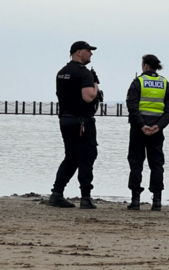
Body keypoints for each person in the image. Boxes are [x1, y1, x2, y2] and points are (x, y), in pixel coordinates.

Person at [49, 41, 103, 209]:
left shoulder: (62, 72)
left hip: (65, 119)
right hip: (82, 121)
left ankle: (57, 193)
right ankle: (85, 198)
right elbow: (88, 97)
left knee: (71, 156)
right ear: (78, 52)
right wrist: (95, 84)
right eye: (88, 51)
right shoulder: (84, 73)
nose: (91, 54)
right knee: (87, 156)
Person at [126, 54, 169, 211]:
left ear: (145, 66)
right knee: (156, 164)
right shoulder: (165, 84)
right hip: (156, 130)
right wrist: (159, 126)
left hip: (138, 129)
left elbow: (132, 106)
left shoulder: (138, 82)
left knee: (136, 162)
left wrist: (142, 125)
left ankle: (135, 200)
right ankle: (157, 201)